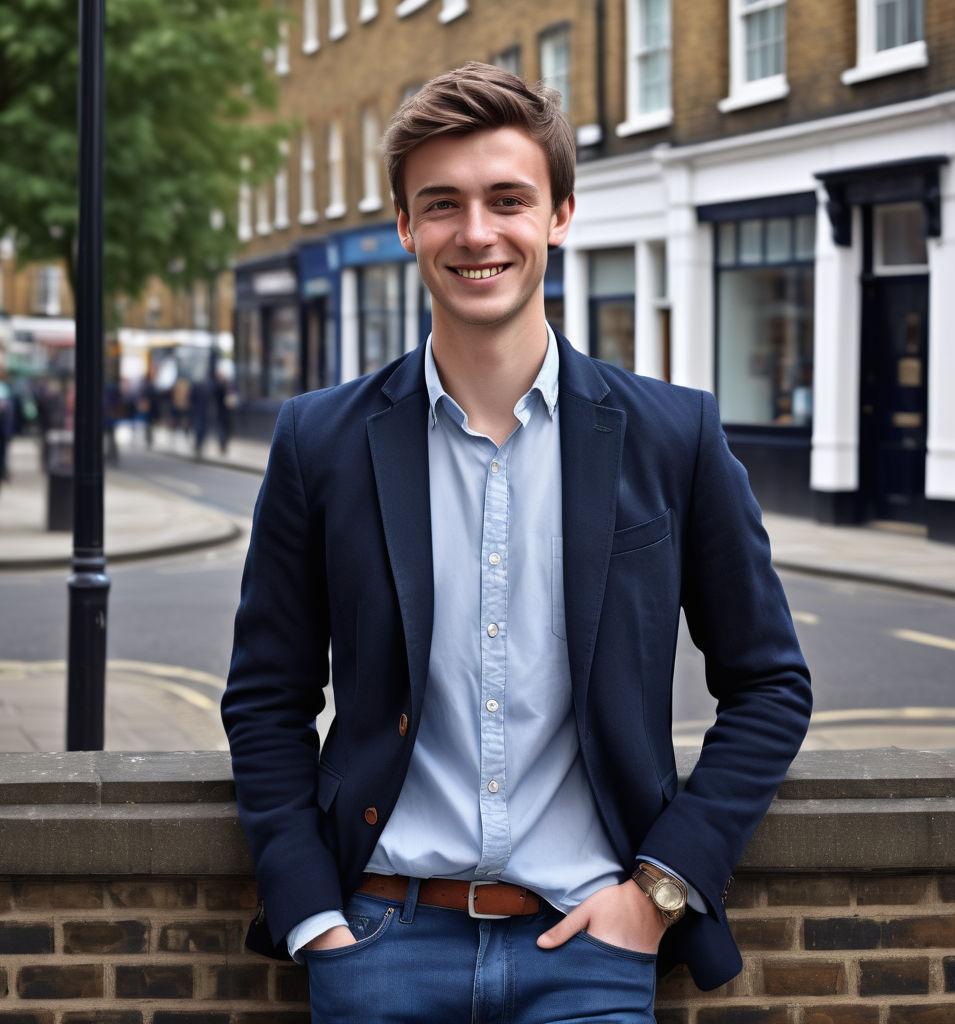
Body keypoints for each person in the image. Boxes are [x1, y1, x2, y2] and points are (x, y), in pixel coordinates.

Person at [221, 62, 812, 1023]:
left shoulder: (674, 436)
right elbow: (267, 696)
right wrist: (309, 913)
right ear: (406, 228)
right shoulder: (318, 441)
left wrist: (660, 891)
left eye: (509, 199)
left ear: (560, 215)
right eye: (442, 204)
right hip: (377, 945)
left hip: (588, 947)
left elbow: (771, 683)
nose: (478, 232)